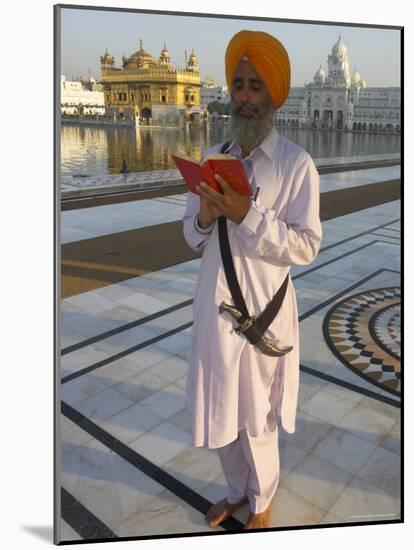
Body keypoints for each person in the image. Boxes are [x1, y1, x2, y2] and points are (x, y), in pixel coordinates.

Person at [182, 30, 322, 530]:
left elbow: (306, 245)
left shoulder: (296, 166)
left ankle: (261, 502)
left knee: (258, 418)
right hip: (215, 312)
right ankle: (236, 491)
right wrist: (202, 215)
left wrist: (247, 215)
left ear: (273, 94)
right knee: (221, 412)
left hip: (263, 315)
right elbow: (192, 239)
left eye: (255, 86)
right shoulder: (215, 155)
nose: (243, 96)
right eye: (238, 85)